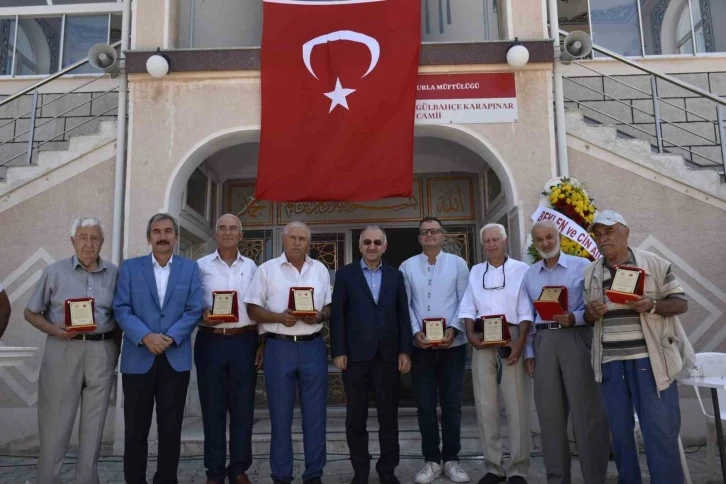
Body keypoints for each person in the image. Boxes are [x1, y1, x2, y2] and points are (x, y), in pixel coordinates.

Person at [584, 210, 694, 484]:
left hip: (651, 361)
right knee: (620, 437)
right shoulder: (591, 272)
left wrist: (653, 305)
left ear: (626, 232)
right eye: (597, 234)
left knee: (660, 433)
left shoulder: (655, 264)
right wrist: (591, 313)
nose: (602, 238)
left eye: (608, 232)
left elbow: (681, 303)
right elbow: (587, 318)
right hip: (610, 363)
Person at [24, 217, 119, 484]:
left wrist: (117, 353)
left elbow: (120, 315)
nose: (89, 244)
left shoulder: (113, 273)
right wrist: (54, 330)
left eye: (95, 238)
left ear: (102, 242)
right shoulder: (55, 271)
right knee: (55, 423)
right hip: (63, 349)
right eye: (83, 237)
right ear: (72, 241)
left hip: (102, 350)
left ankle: (86, 479)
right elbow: (30, 312)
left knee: (94, 422)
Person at [113, 213, 203, 484]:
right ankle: (135, 480)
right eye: (156, 231)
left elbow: (194, 308)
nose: (162, 236)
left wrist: (171, 337)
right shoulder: (130, 268)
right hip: (138, 357)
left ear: (176, 236)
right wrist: (146, 336)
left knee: (171, 427)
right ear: (148, 237)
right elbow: (121, 308)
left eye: (167, 231)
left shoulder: (190, 269)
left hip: (175, 358)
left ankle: (166, 479)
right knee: (136, 428)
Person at [521, 220, 609, 484]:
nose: (546, 243)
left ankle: (595, 478)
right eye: (540, 240)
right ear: (534, 244)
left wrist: (577, 317)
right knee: (550, 418)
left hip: (576, 339)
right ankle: (557, 479)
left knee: (586, 415)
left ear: (558, 236)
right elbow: (528, 314)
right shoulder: (530, 274)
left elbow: (597, 305)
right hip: (544, 342)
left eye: (549, 237)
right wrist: (529, 352)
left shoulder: (582, 267)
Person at [244, 221, 331, 484]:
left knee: (315, 416)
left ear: (309, 242)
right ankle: (281, 475)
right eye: (292, 237)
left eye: (302, 238)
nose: (297, 242)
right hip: (279, 346)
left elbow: (329, 306)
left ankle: (313, 474)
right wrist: (279, 317)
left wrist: (320, 316)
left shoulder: (321, 269)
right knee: (280, 417)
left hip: (313, 346)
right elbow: (252, 310)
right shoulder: (266, 270)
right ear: (284, 240)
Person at [331, 225, 413, 484]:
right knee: (355, 418)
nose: (372, 247)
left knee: (389, 418)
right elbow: (338, 316)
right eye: (367, 242)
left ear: (385, 246)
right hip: (354, 358)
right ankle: (361, 472)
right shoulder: (345, 275)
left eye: (377, 242)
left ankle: (387, 470)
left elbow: (403, 316)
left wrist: (405, 351)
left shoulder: (395, 276)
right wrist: (339, 351)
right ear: (360, 246)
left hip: (388, 357)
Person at [458, 223, 533, 484]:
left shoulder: (521, 270)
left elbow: (525, 308)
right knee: (485, 405)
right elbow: (468, 306)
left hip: (511, 337)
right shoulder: (476, 271)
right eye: (487, 241)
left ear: (505, 241)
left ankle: (518, 469)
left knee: (517, 405)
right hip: (483, 338)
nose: (491, 244)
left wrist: (520, 341)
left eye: (495, 240)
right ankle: (493, 466)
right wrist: (470, 335)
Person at [399, 217, 470, 484]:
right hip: (421, 348)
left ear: (443, 235)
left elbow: (465, 300)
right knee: (425, 406)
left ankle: (452, 460)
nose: (429, 235)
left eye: (434, 231)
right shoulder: (407, 266)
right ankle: (431, 460)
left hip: (454, 346)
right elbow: (406, 304)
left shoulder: (458, 264)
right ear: (419, 237)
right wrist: (415, 332)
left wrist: (454, 328)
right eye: (424, 232)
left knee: (452, 405)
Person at [196, 213, 263, 484]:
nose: (227, 232)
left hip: (244, 342)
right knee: (212, 408)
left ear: (241, 235)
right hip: (210, 340)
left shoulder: (253, 266)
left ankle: (238, 469)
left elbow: (258, 306)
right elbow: (191, 303)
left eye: (233, 228)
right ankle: (214, 471)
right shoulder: (198, 266)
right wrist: (203, 315)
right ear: (215, 233)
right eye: (222, 228)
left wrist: (262, 342)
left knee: (242, 409)